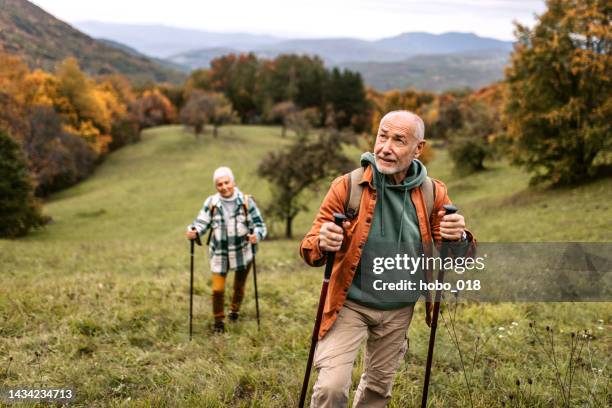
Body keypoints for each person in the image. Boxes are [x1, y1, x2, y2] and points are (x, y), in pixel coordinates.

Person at [299, 110, 476, 407]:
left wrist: (457, 237)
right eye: (382, 136)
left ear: (418, 148)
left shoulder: (433, 192)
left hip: (398, 309)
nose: (385, 147)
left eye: (398, 140)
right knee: (331, 388)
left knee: (377, 391)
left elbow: (456, 258)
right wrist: (323, 241)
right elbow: (309, 247)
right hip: (349, 303)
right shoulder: (347, 187)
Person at [186, 166, 267, 333]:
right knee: (217, 289)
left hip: (243, 252)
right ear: (216, 186)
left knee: (239, 286)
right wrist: (194, 230)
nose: (224, 187)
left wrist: (256, 235)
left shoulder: (246, 202)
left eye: (226, 182)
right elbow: (201, 222)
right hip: (220, 253)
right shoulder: (212, 203)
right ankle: (218, 322)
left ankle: (234, 311)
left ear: (233, 181)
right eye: (219, 184)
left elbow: (260, 225)